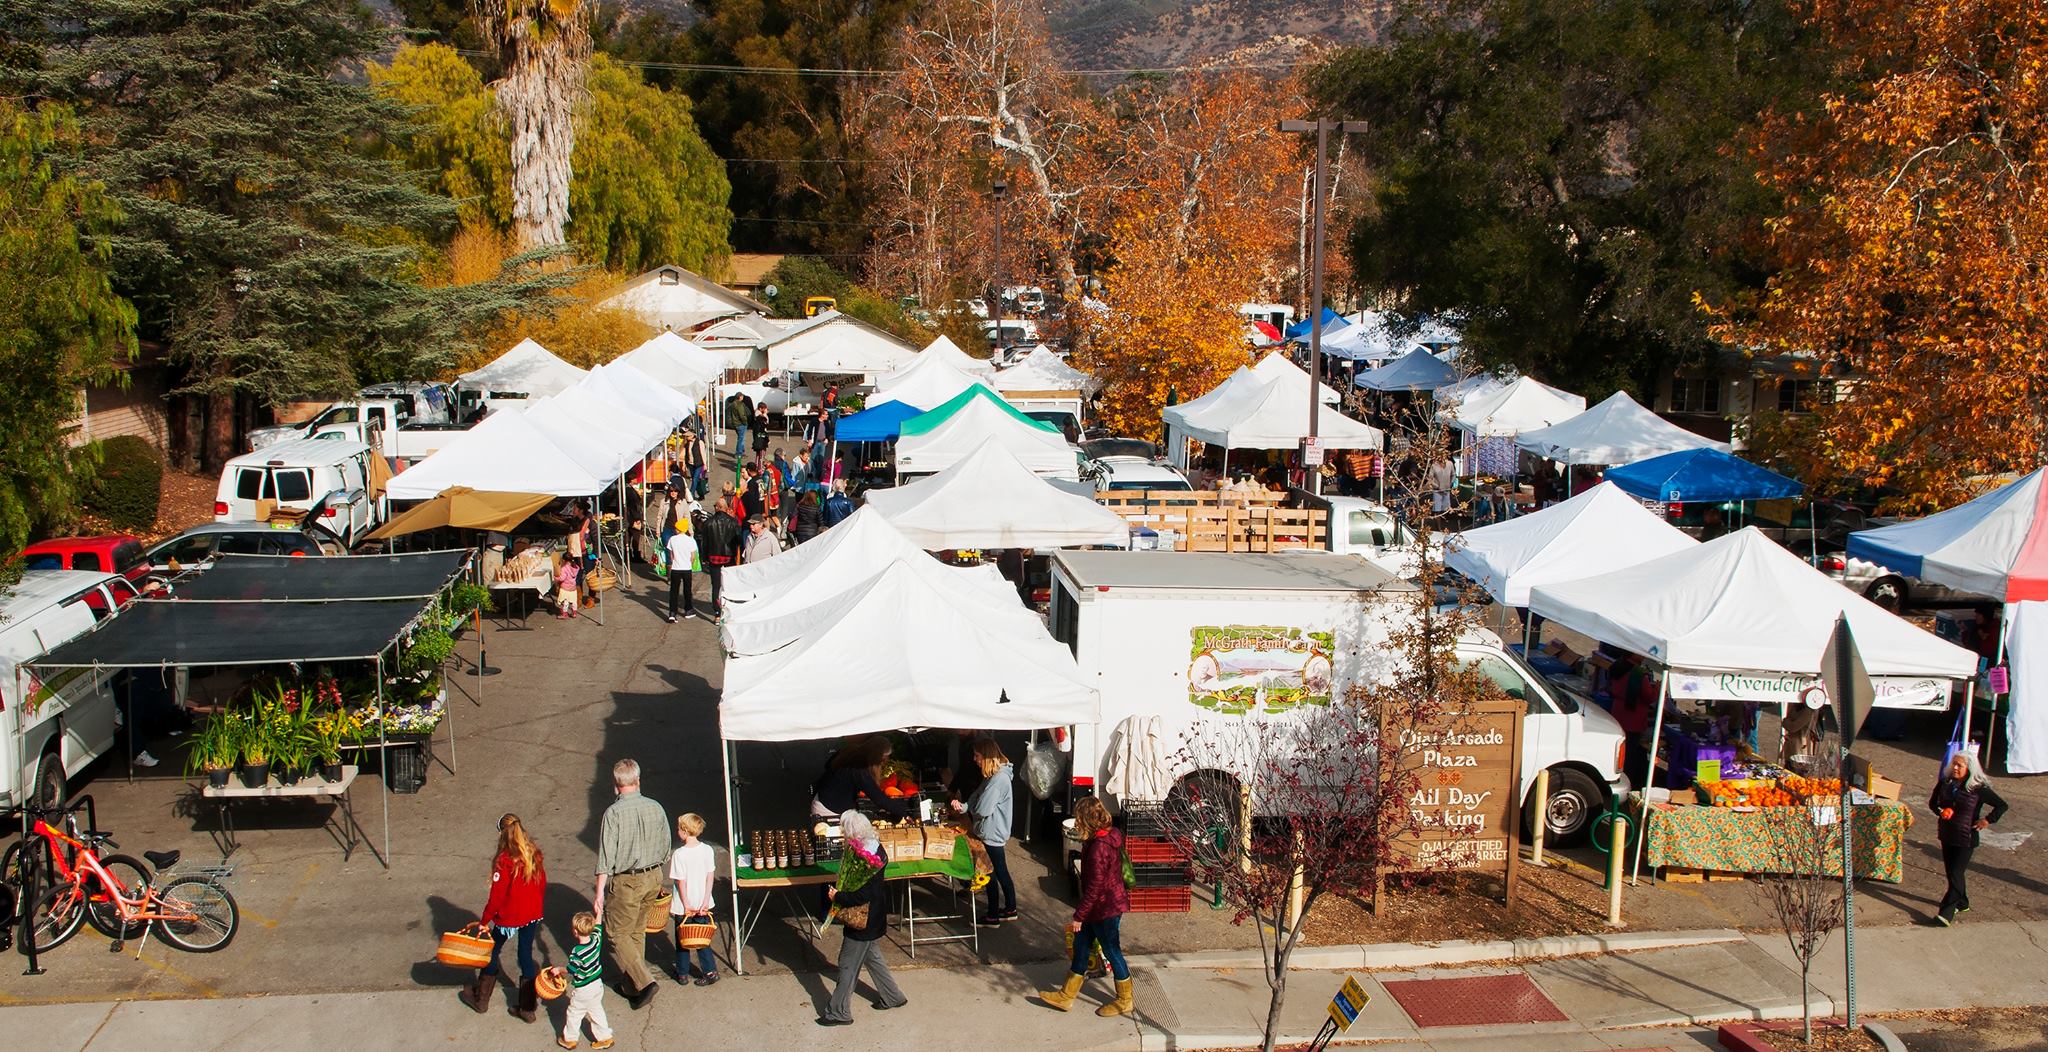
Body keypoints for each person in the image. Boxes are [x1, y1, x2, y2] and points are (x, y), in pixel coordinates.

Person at [1039, 797, 1133, 1017]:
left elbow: (1095, 888)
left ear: (1086, 820)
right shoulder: (1107, 835)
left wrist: (1079, 916)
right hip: (1103, 906)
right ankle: (1066, 995)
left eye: (1079, 819)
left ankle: (1125, 1000)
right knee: (1081, 946)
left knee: (1112, 951)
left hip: (1104, 909)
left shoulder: (1099, 847)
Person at [817, 810, 907, 1026]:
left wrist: (838, 896)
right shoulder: (876, 849)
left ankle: (838, 1011)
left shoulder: (866, 860)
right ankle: (892, 996)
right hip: (874, 918)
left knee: (847, 963)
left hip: (863, 921)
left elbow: (862, 894)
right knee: (872, 957)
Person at [593, 759, 669, 1009]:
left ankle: (644, 982)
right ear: (638, 780)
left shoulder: (613, 813)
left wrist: (599, 893)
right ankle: (631, 985)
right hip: (653, 875)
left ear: (616, 784)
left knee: (617, 932)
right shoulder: (655, 807)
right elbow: (666, 845)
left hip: (628, 880)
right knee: (636, 930)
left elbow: (606, 857)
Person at [462, 813, 548, 1020]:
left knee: (492, 951)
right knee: (525, 955)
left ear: (502, 833)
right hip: (532, 914)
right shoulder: (533, 853)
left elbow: (496, 898)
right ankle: (527, 1008)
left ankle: (481, 999)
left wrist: (484, 922)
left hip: (509, 917)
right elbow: (542, 883)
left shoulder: (504, 860)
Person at [1930, 751, 2009, 926]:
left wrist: (1987, 820)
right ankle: (1963, 902)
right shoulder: (1945, 782)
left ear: (1969, 768)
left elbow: (2002, 805)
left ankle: (1946, 912)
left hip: (1967, 837)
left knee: (1957, 873)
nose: (1955, 768)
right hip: (1947, 833)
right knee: (1952, 873)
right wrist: (1941, 811)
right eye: (1954, 764)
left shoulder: (1978, 788)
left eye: (1960, 765)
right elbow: (1933, 803)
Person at [952, 739, 1018, 924]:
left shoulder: (998, 780)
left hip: (992, 833)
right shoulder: (992, 776)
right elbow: (976, 796)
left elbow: (983, 809)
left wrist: (971, 808)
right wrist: (964, 806)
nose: (975, 759)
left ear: (987, 756)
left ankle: (993, 915)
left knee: (990, 872)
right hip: (991, 831)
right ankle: (1009, 908)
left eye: (977, 756)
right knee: (998, 870)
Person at [667, 813, 719, 986]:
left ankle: (682, 973)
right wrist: (705, 900)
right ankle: (710, 970)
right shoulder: (707, 850)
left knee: (683, 939)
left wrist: (686, 903)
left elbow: (680, 881)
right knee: (702, 938)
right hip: (702, 902)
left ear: (684, 831)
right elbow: (710, 876)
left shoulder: (679, 855)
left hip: (684, 905)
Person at [811, 736, 913, 820]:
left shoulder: (851, 751)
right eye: (883, 760)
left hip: (822, 800)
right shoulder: (860, 770)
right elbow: (879, 799)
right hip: (829, 811)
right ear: (875, 757)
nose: (884, 763)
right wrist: (905, 814)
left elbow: (829, 766)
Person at [560, 911, 615, 1050]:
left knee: (574, 1013)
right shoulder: (596, 940)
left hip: (583, 989)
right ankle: (605, 1037)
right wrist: (599, 912)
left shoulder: (577, 951)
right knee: (596, 1010)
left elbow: (571, 969)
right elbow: (598, 927)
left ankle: (570, 1039)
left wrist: (558, 970)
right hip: (597, 984)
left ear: (575, 931)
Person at [698, 502, 741, 613]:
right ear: (725, 508)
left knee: (716, 585)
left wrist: (705, 557)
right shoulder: (733, 522)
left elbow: (705, 542)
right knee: (728, 584)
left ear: (717, 508)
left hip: (713, 557)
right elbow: (739, 540)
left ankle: (717, 612)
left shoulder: (708, 523)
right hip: (728, 556)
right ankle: (728, 608)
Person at [664, 517, 700, 623]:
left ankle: (672, 613)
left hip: (676, 568)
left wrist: (675, 561)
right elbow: (693, 556)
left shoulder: (672, 539)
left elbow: (671, 556)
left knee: (674, 591)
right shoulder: (690, 541)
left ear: (678, 529)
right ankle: (688, 610)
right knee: (687, 590)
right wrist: (689, 563)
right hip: (687, 568)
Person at [555, 555, 580, 619]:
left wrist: (555, 578)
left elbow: (562, 578)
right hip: (573, 587)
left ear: (564, 560)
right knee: (574, 601)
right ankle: (574, 613)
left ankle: (564, 614)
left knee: (565, 601)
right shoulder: (575, 567)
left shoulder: (564, 568)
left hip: (565, 587)